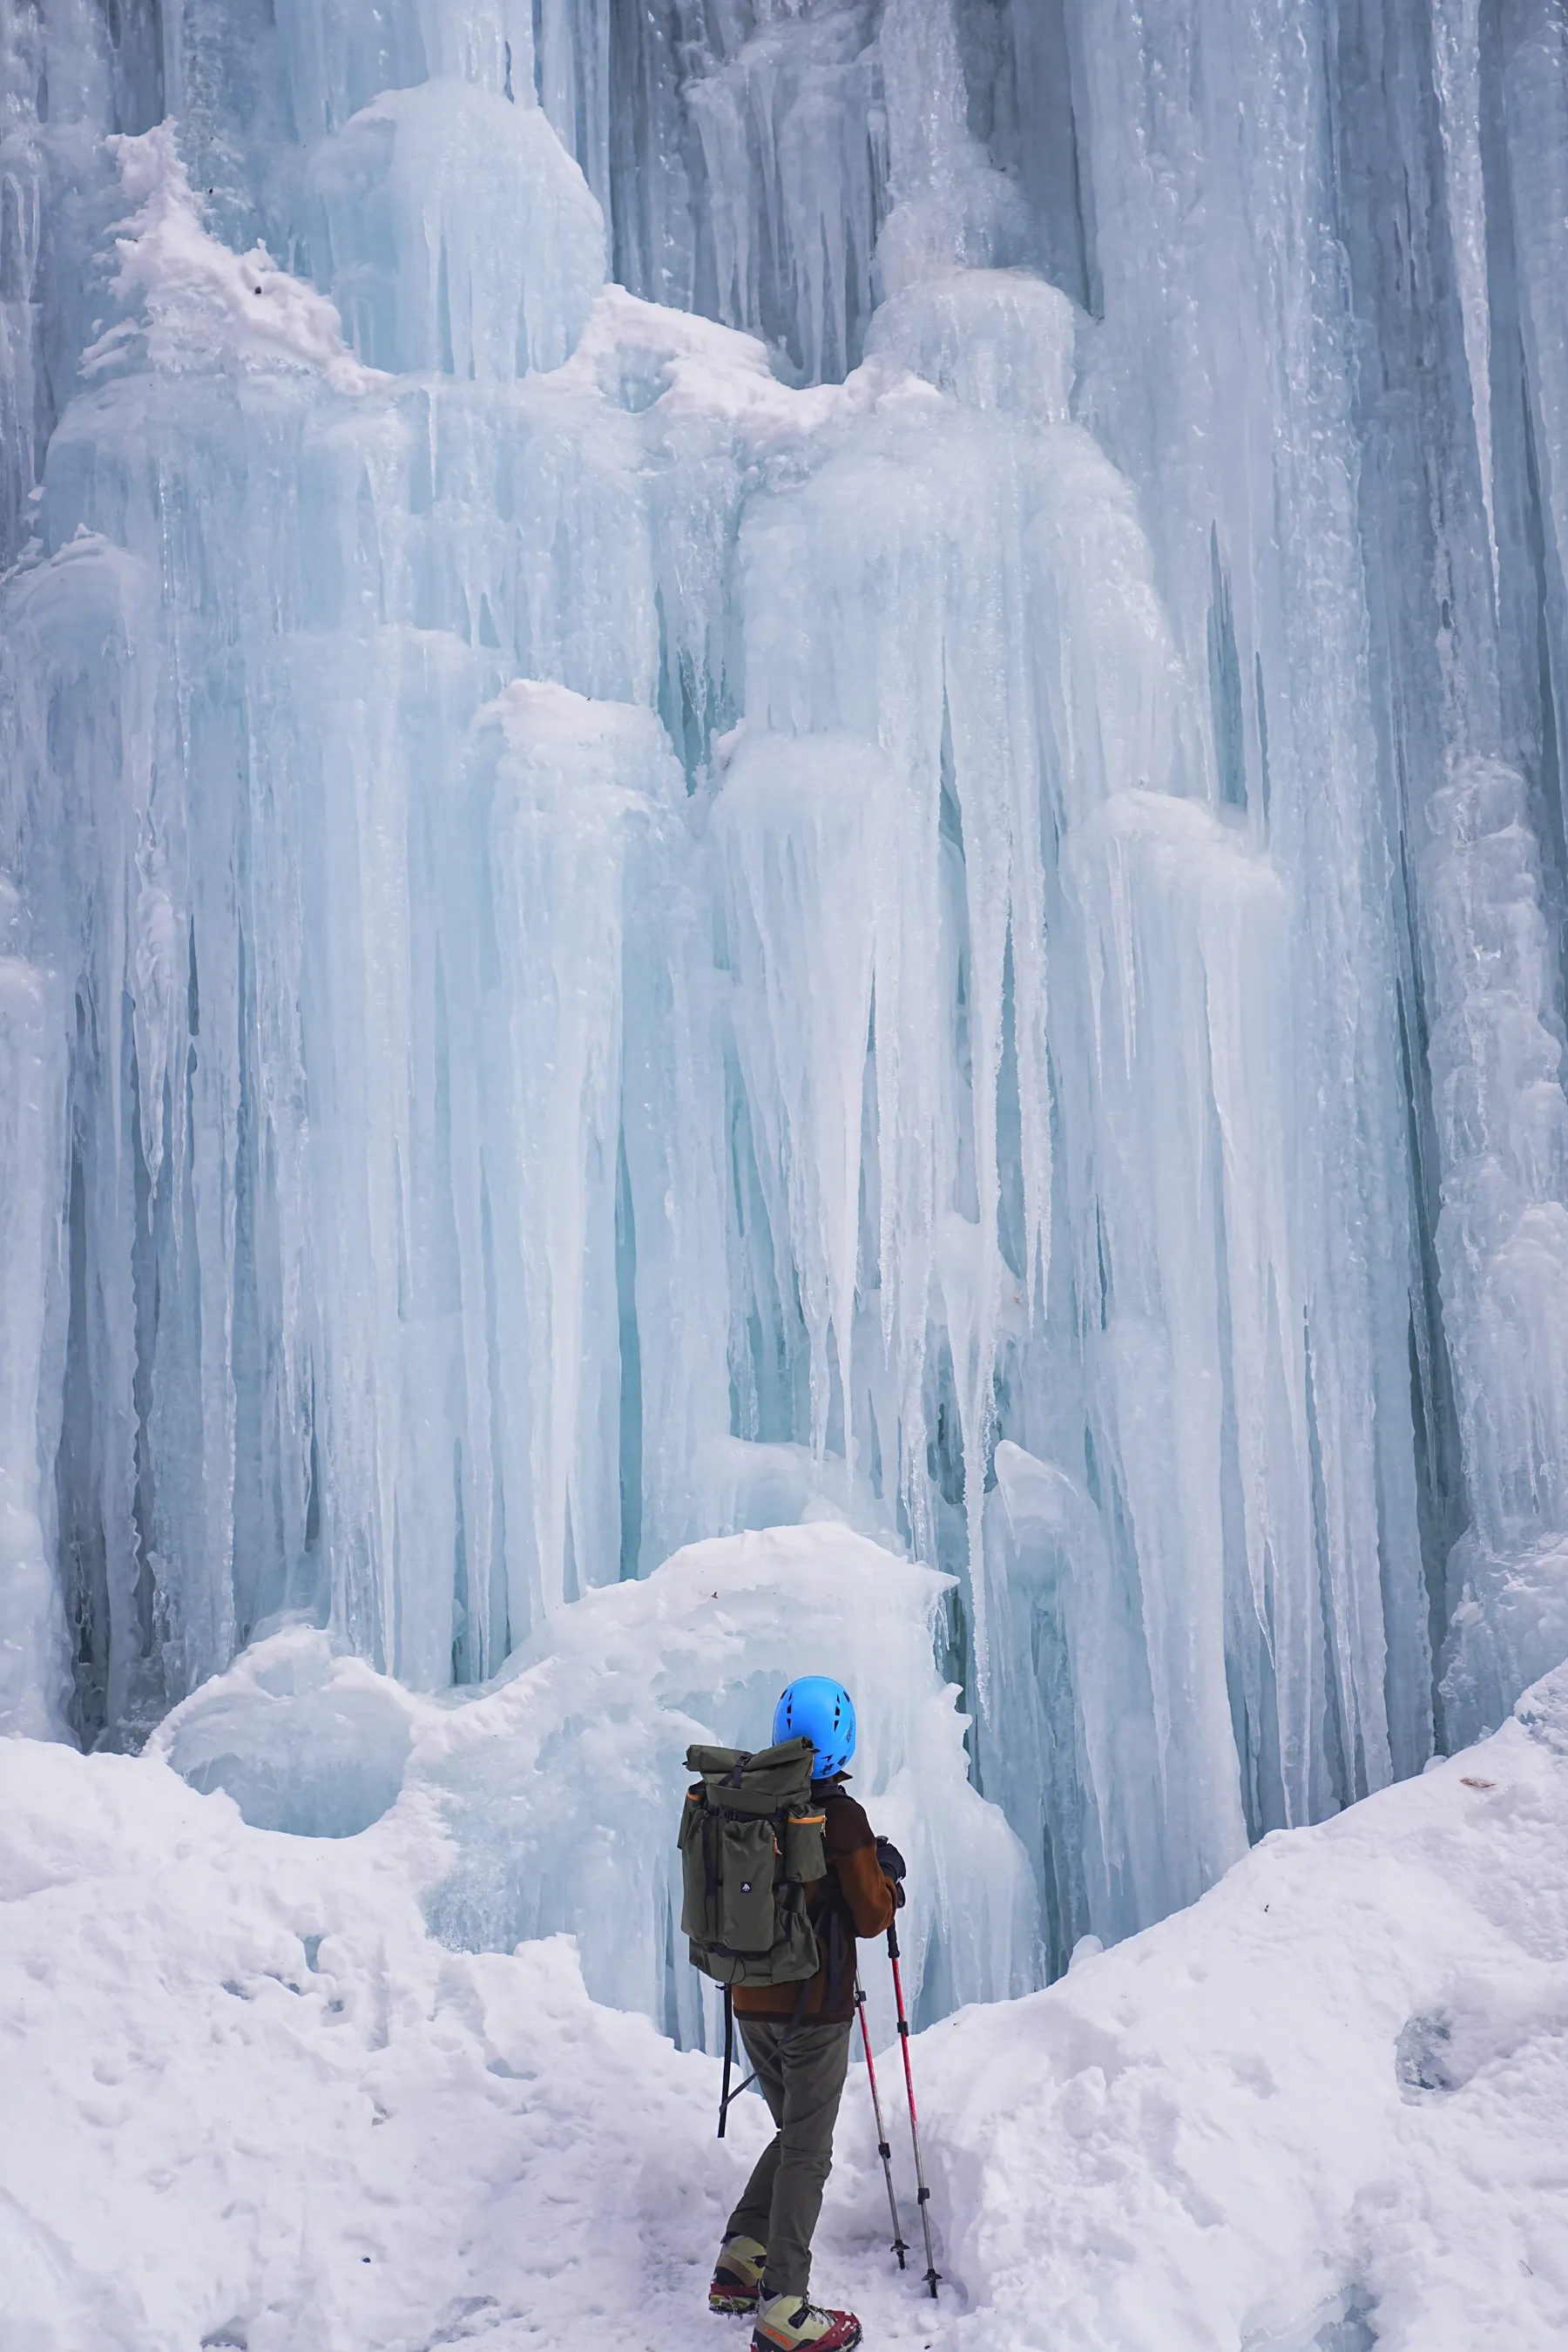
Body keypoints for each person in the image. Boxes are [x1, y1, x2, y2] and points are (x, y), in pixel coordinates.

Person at [708, 1676, 902, 2352]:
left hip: (750, 2001)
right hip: (813, 2013)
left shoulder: (750, 1798)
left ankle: (741, 2258)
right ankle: (784, 2304)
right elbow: (871, 1916)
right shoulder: (839, 1816)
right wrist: (888, 1878)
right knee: (808, 2150)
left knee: (794, 2132)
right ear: (842, 1739)